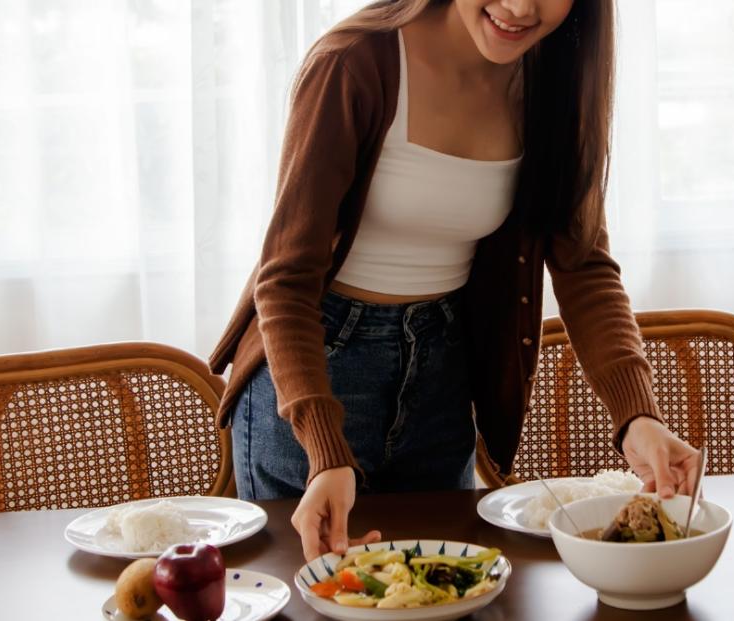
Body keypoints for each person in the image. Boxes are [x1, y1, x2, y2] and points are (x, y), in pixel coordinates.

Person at [208, 0, 702, 562]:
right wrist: (325, 446)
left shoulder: (554, 79)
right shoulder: (354, 63)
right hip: (316, 368)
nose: (520, 8)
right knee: (315, 594)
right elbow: (285, 279)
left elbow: (584, 264)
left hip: (442, 375)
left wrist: (638, 416)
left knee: (440, 588)